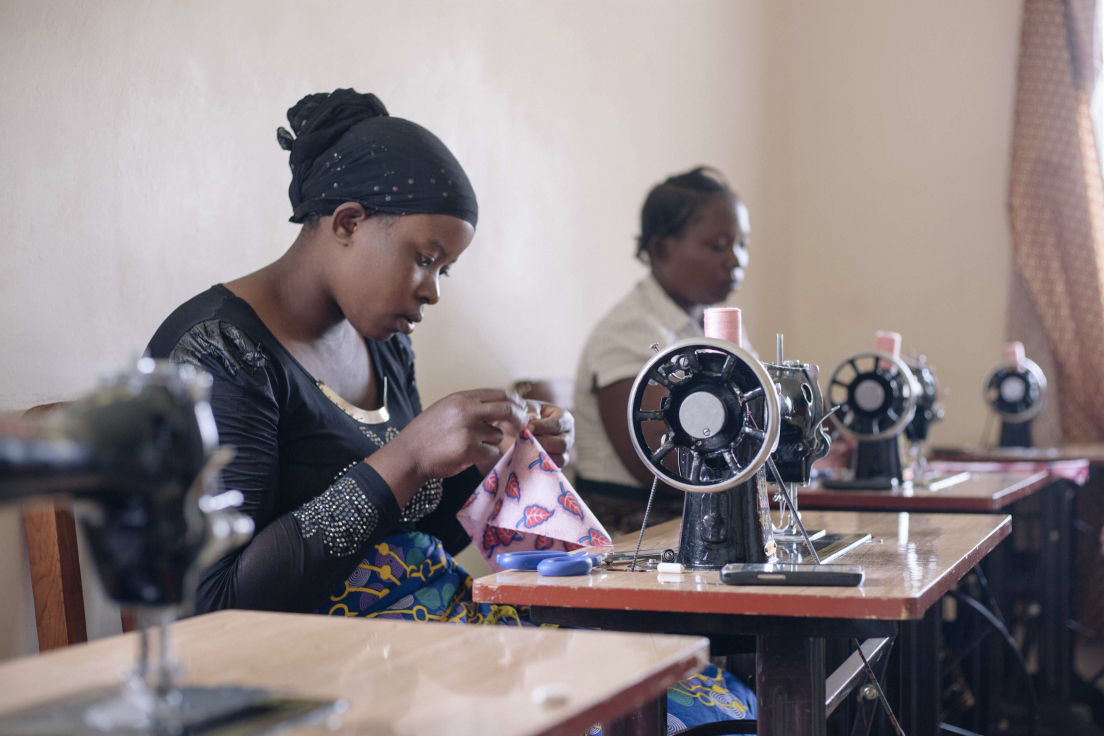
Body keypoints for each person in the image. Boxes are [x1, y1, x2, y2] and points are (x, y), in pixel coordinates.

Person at [146, 92, 754, 730]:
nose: (433, 289)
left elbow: (416, 537)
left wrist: (488, 463)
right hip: (307, 678)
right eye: (425, 257)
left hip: (412, 635)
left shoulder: (382, 344)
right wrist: (408, 456)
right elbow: (211, 609)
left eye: (446, 270)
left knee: (691, 685)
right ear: (348, 223)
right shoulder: (219, 353)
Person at [573, 167, 751, 536]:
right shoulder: (630, 332)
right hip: (631, 529)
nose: (735, 261)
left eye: (742, 244)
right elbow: (665, 461)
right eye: (718, 246)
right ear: (661, 249)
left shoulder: (710, 323)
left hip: (693, 512)